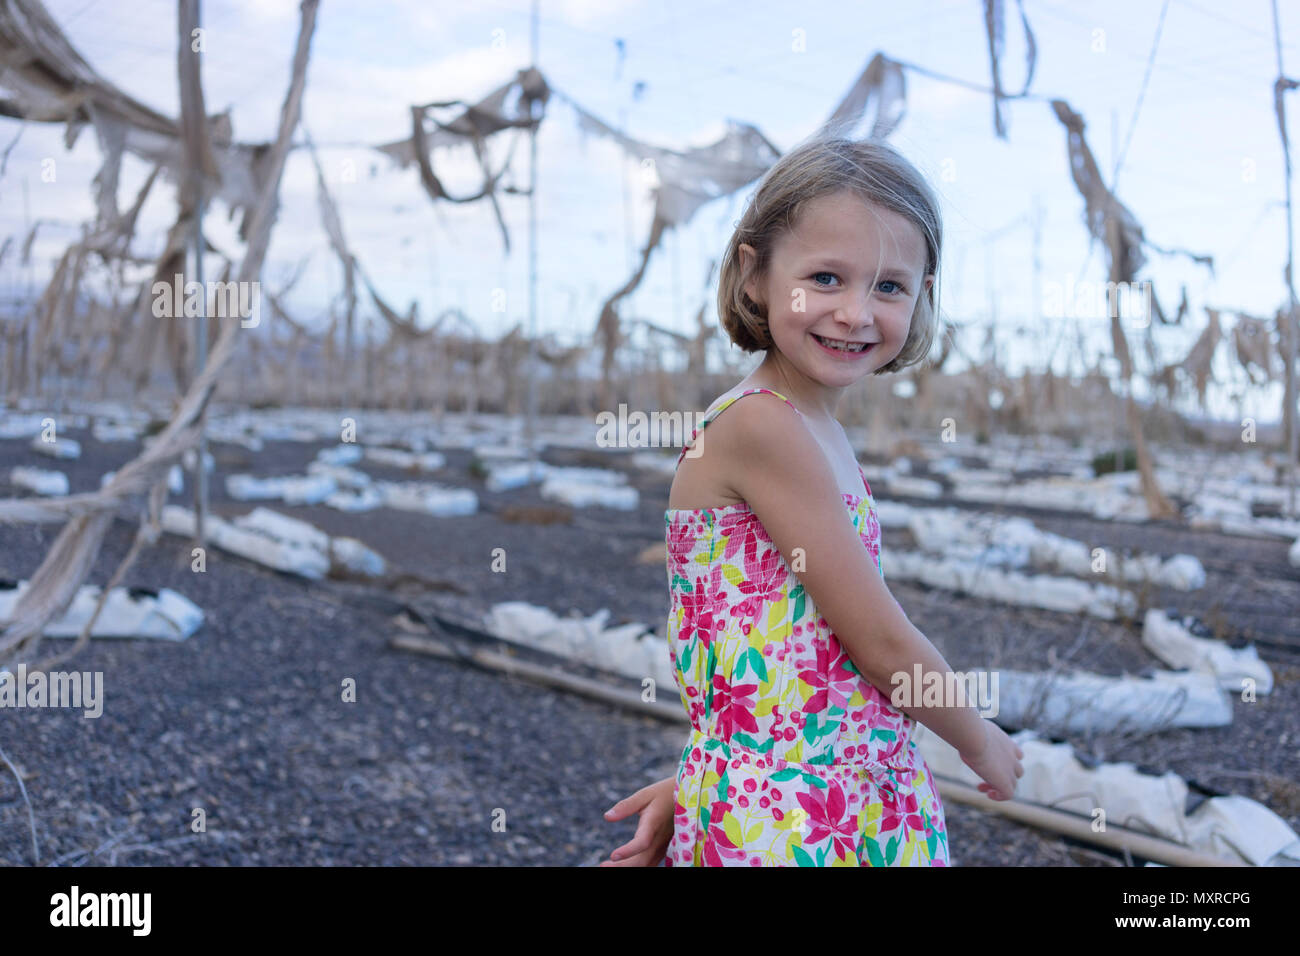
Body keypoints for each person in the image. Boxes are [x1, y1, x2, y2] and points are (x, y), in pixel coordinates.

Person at [601, 134, 1022, 867]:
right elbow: (881, 643)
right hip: (804, 820)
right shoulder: (765, 427)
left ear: (922, 296)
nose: (856, 312)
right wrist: (978, 738)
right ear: (754, 273)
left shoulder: (809, 425)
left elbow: (797, 657)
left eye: (889, 287)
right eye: (826, 278)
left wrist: (703, 783)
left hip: (817, 797)